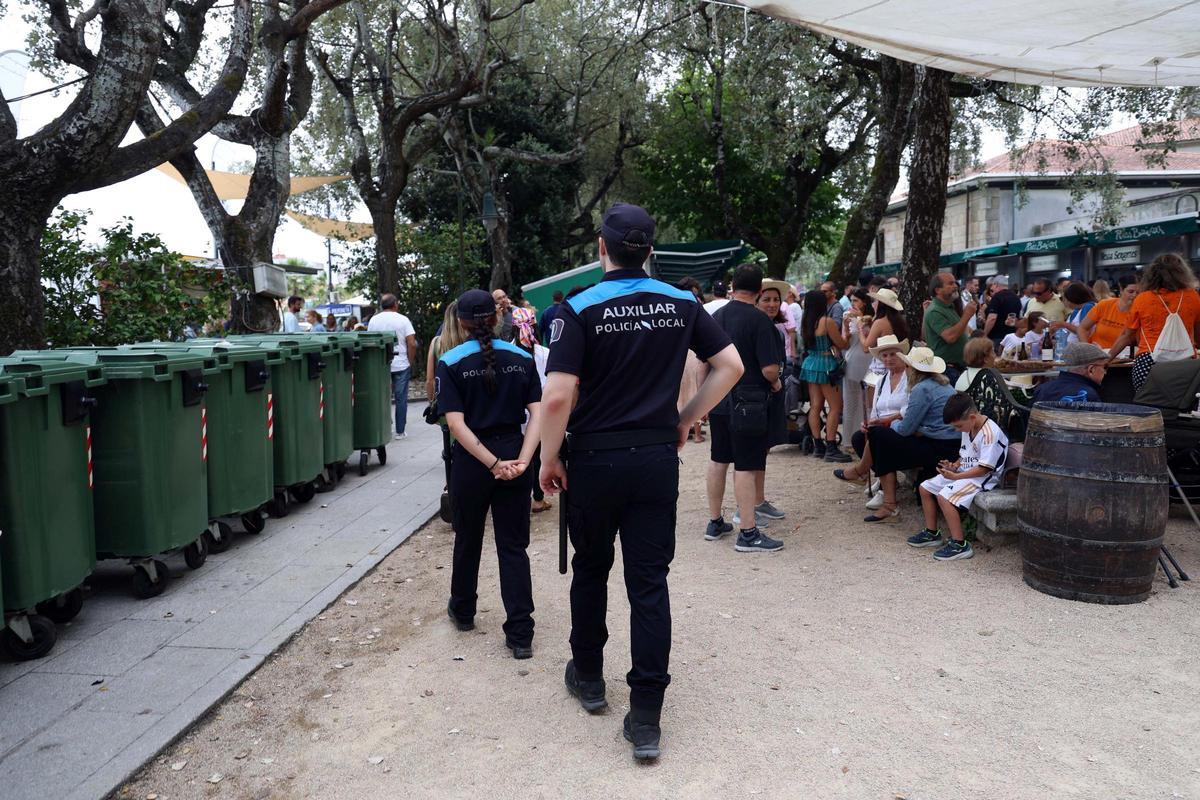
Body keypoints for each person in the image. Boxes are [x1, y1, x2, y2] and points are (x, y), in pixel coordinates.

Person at [538, 203, 742, 761]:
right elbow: (731, 366)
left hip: (596, 461)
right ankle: (646, 715)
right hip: (654, 459)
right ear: (650, 250)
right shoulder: (681, 302)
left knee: (590, 567)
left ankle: (588, 675)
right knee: (649, 582)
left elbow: (557, 396)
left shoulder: (576, 309)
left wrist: (547, 459)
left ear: (601, 248)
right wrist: (685, 419)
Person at [437, 289, 542, 660]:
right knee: (514, 545)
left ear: (461, 321)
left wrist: (491, 463)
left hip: (472, 461)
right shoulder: (521, 356)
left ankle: (463, 610)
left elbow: (455, 424)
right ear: (497, 318)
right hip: (515, 451)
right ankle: (520, 632)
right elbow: (537, 413)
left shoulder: (450, 362)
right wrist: (524, 460)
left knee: (468, 537)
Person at [707, 264, 789, 542]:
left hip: (718, 398)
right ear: (759, 291)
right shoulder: (760, 321)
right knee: (746, 464)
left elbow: (699, 364)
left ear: (733, 286)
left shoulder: (716, 316)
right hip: (750, 403)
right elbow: (769, 369)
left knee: (718, 460)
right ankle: (748, 532)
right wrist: (777, 383)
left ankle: (715, 521)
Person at [835, 347, 960, 523]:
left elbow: (905, 429)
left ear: (912, 369)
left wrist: (890, 422)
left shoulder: (922, 388)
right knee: (875, 436)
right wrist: (891, 422)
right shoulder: (938, 384)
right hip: (944, 443)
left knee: (879, 436)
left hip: (941, 448)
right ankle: (886, 501)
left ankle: (864, 475)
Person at [907, 393, 1008, 562]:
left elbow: (984, 469)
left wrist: (956, 476)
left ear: (972, 417)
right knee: (924, 487)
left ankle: (960, 544)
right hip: (966, 473)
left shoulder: (990, 433)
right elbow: (966, 455)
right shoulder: (968, 426)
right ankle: (932, 533)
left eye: (958, 426)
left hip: (984, 478)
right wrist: (954, 465)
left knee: (944, 497)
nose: (957, 430)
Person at [1105, 253, 1200, 391]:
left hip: (1148, 361)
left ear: (1152, 274)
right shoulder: (1192, 297)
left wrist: (1106, 359)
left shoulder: (1143, 299)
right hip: (1185, 363)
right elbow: (1198, 335)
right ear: (1182, 273)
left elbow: (1126, 335)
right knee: (1182, 407)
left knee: (1148, 407)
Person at [834, 335, 909, 495]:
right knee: (859, 437)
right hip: (883, 428)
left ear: (902, 355)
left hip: (903, 428)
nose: (888, 359)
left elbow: (910, 410)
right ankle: (884, 480)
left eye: (893, 354)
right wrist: (870, 422)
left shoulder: (910, 378)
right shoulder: (882, 380)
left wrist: (887, 420)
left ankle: (864, 474)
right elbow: (875, 409)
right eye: (885, 355)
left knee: (878, 436)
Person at [800, 288, 852, 462]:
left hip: (811, 363)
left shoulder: (806, 321)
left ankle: (818, 445)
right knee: (835, 407)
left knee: (815, 406)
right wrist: (848, 332)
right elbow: (842, 344)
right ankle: (831, 446)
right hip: (827, 364)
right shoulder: (827, 321)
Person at [367, 293, 418, 439]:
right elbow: (412, 343)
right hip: (401, 364)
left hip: (381, 365)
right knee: (401, 399)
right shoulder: (403, 320)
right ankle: (400, 431)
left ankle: (383, 428)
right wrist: (410, 360)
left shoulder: (374, 320)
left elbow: (370, 341)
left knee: (382, 397)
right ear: (395, 304)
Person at [757, 280, 793, 449]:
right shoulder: (756, 327)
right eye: (767, 299)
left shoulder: (777, 329)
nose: (772, 304)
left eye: (776, 299)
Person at [923, 272, 977, 382]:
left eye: (955, 283)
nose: (955, 286)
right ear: (938, 290)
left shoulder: (949, 307)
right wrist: (966, 315)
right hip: (947, 370)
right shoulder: (935, 311)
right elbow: (950, 337)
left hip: (956, 368)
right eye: (950, 284)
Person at [841, 288, 875, 440]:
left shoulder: (872, 319)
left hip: (869, 361)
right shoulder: (847, 316)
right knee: (851, 401)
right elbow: (845, 342)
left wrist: (860, 320)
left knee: (868, 403)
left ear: (864, 302)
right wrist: (846, 331)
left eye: (856, 300)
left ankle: (866, 437)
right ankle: (849, 439)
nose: (853, 303)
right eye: (851, 300)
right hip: (854, 360)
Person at [1032, 342, 1109, 403]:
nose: (1105, 372)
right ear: (1091, 370)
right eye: (1105, 367)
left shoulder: (1042, 389)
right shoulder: (1088, 395)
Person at [1079, 274, 1138, 351]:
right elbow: (1082, 328)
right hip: (1096, 353)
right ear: (1121, 289)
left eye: (1138, 292)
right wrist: (1087, 349)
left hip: (1122, 358)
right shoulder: (1105, 305)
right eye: (1130, 291)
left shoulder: (1139, 313)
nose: (1135, 295)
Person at [980, 275, 1022, 354]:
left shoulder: (997, 297)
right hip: (1012, 338)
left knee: (996, 363)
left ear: (996, 284)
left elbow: (992, 318)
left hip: (996, 338)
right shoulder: (1016, 298)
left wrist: (984, 334)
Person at [1049, 281, 1096, 349]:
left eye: (1063, 298)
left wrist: (1064, 324)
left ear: (1072, 298)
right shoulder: (1077, 310)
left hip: (1082, 350)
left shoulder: (1088, 307)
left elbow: (1083, 331)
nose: (1062, 301)